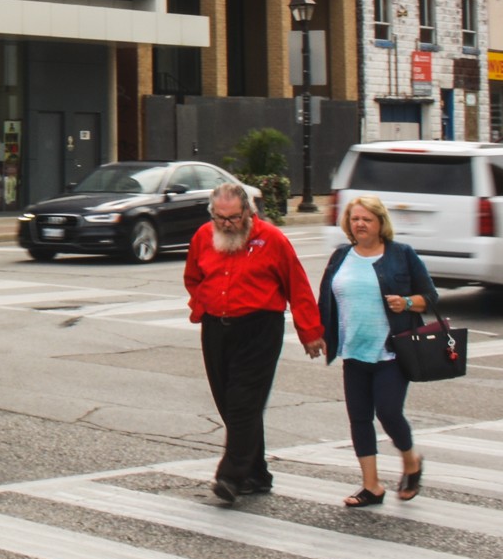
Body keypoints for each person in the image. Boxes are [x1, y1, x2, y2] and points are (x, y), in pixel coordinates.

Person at [184, 183, 326, 504]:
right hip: (217, 327)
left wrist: (310, 331)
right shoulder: (203, 237)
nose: (227, 225)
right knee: (228, 402)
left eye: (233, 218)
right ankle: (256, 472)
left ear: (248, 212)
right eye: (220, 218)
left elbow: (297, 284)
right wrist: (202, 303)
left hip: (260, 327)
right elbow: (193, 277)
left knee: (243, 401)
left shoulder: (271, 239)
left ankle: (230, 475)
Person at [318, 194, 435, 507]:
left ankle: (411, 460)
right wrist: (318, 335)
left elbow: (430, 296)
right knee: (359, 418)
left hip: (391, 352)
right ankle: (372, 486)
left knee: (388, 411)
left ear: (381, 223)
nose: (360, 224)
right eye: (355, 219)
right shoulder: (340, 257)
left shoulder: (401, 255)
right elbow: (325, 303)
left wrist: (407, 302)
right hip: (353, 351)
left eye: (367, 219)